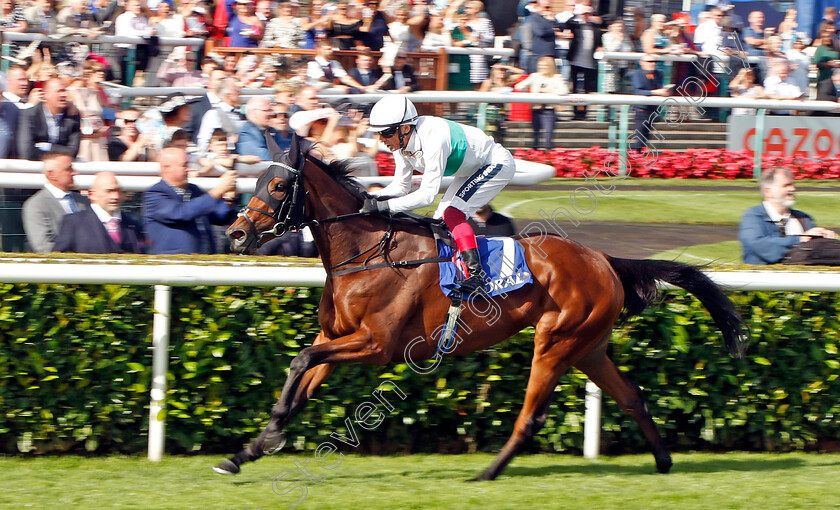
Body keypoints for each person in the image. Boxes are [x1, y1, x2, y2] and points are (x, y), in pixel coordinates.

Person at [362, 96, 516, 296]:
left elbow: (427, 196)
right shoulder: (401, 142)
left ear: (406, 128)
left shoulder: (433, 137)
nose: (381, 139)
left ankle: (477, 276)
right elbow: (400, 186)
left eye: (386, 133)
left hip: (495, 163)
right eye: (378, 133)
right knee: (438, 221)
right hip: (471, 170)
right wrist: (369, 197)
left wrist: (384, 207)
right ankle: (449, 271)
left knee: (452, 214)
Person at [143, 147, 238, 254]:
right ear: (167, 168)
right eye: (184, 165)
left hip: (205, 261)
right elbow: (181, 213)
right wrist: (218, 190)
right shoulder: (155, 194)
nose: (188, 169)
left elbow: (219, 217)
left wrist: (228, 199)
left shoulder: (194, 190)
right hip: (172, 264)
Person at [739, 166, 837, 265]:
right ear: (768, 191)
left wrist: (825, 239)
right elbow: (759, 245)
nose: (792, 189)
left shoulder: (803, 218)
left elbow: (815, 252)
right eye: (786, 185)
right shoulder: (753, 216)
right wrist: (800, 240)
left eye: (792, 185)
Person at [53, 172, 145, 253]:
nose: (115, 196)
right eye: (109, 191)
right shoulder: (73, 223)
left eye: (118, 191)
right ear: (92, 194)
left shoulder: (133, 225)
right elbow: (59, 258)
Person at [22, 151, 90, 253]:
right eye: (68, 169)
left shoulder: (83, 201)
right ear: (52, 174)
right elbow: (43, 247)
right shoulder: (36, 205)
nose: (75, 173)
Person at [17, 78, 81, 161]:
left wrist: (46, 146)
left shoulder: (72, 116)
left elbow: (73, 152)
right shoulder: (30, 115)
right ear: (45, 94)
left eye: (64, 91)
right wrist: (60, 151)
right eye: (59, 91)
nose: (63, 95)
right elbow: (26, 152)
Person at [514, 56, 567, 152]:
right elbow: (519, 86)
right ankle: (534, 154)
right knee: (535, 134)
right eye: (540, 65)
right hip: (536, 109)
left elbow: (564, 91)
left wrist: (549, 91)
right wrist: (528, 93)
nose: (542, 68)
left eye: (545, 66)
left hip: (548, 110)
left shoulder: (556, 77)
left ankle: (549, 154)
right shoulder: (535, 76)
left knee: (548, 134)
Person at [630, 54, 670, 151]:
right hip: (641, 111)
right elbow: (638, 91)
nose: (652, 64)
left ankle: (639, 156)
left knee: (645, 138)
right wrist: (656, 92)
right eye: (649, 62)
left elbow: (659, 89)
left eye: (654, 62)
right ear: (642, 63)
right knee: (639, 138)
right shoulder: (637, 74)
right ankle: (633, 156)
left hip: (653, 111)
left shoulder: (658, 74)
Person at [236, 96, 286, 160]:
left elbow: (285, 146)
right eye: (266, 110)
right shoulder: (246, 133)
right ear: (253, 112)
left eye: (271, 110)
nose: (271, 114)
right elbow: (262, 156)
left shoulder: (272, 130)